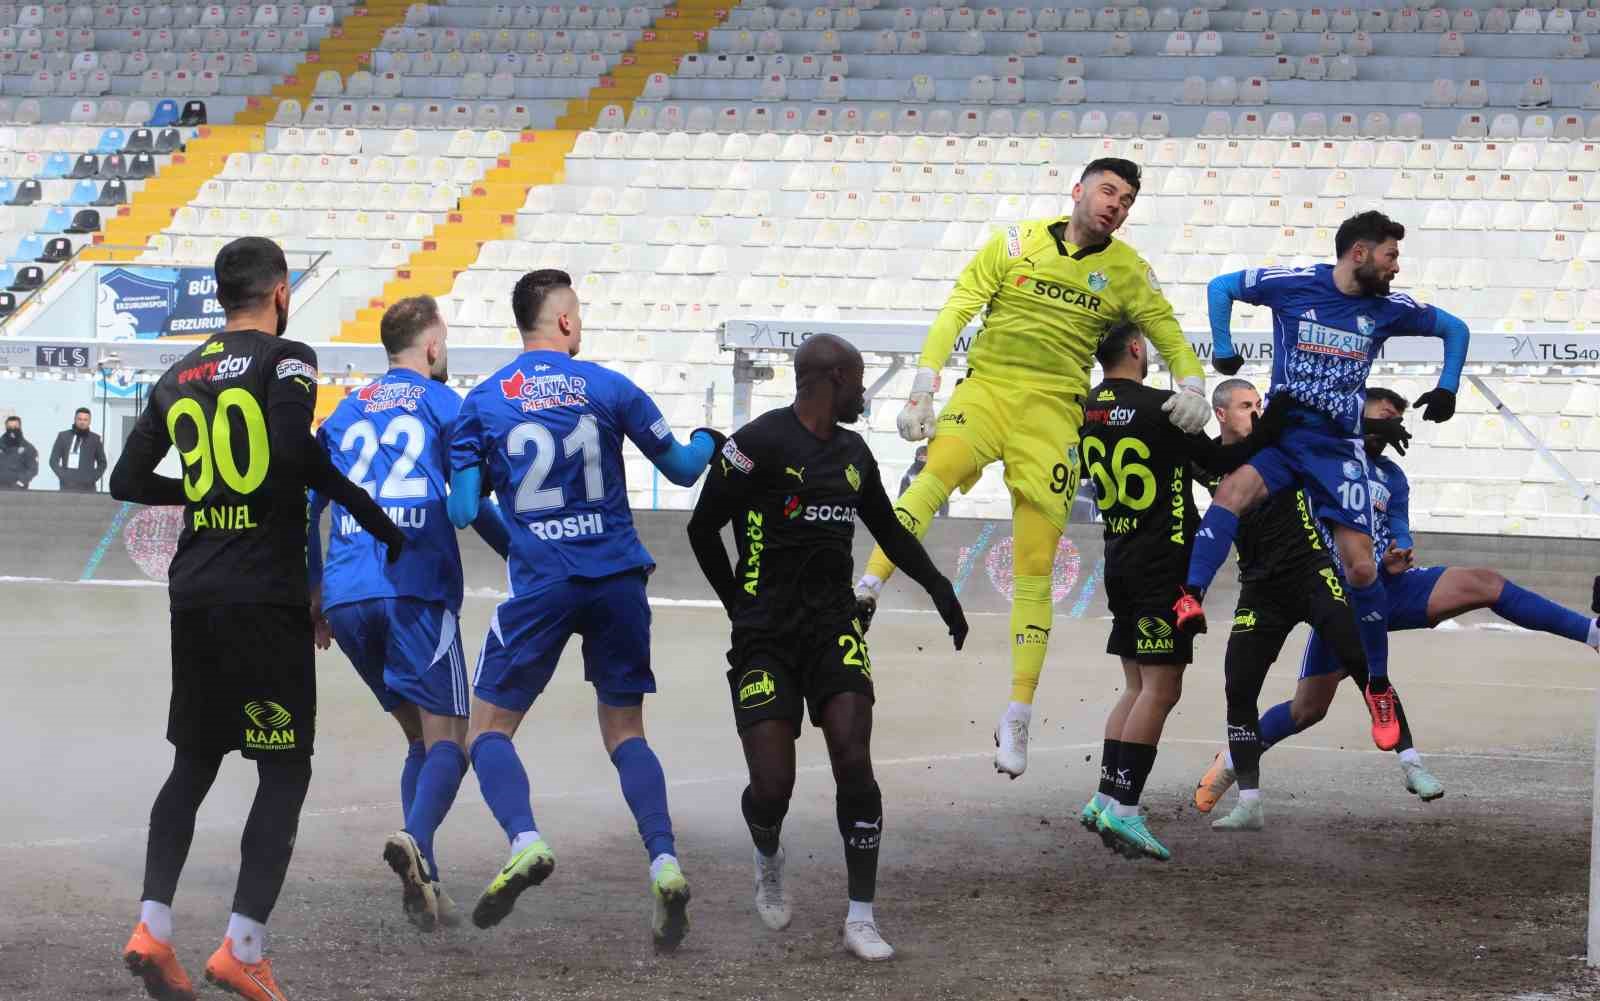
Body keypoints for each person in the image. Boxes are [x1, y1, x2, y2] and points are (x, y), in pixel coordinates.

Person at [111, 237, 403, 1001]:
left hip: (195, 593)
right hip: (261, 599)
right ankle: (243, 946)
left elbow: (127, 476)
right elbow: (283, 455)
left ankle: (152, 927)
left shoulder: (179, 373)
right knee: (284, 768)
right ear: (279, 291)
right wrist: (367, 514)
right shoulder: (289, 359)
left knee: (193, 764)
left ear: (219, 295)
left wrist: (203, 493)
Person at [853, 158, 1210, 780]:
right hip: (987, 390)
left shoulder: (1126, 271)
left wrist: (1194, 384)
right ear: (1077, 191)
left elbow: (1171, 335)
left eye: (1126, 200)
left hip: (1053, 413)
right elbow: (958, 310)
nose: (1115, 205)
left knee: (1036, 566)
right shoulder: (1014, 243)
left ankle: (1017, 712)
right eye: (1107, 191)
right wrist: (921, 387)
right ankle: (864, 595)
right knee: (928, 484)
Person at [446, 269, 716, 952]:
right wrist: (713, 439)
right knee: (626, 731)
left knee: (487, 731)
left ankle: (526, 839)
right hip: (618, 577)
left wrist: (521, 543)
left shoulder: (480, 403)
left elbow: (459, 508)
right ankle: (664, 860)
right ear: (564, 322)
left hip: (543, 581)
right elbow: (683, 468)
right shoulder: (607, 386)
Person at [687, 333, 968, 960]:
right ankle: (767, 854)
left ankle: (860, 916)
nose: (864, 394)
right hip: (764, 640)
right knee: (772, 786)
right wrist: (740, 605)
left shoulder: (854, 453)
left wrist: (941, 589)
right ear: (833, 377)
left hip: (834, 631)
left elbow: (890, 531)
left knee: (852, 757)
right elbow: (702, 529)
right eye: (859, 379)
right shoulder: (753, 445)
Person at [1200, 387, 1600, 823]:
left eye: (1395, 416)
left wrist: (1399, 552)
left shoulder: (1391, 475)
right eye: (1382, 412)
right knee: (1308, 710)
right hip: (1339, 596)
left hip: (1390, 588)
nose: (1390, 421)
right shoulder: (1317, 460)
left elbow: (1400, 530)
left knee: (1485, 582)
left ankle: (1591, 633)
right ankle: (1236, 756)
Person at [1178, 210, 1471, 752]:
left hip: (1338, 450)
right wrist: (1222, 345)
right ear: (1359, 253)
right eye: (1391, 255)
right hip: (1285, 436)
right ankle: (1189, 596)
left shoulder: (1386, 310)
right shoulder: (1293, 285)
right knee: (1232, 494)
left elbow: (1456, 328)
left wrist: (1447, 387)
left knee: (1361, 568)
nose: (1396, 268)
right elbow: (1221, 286)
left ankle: (1377, 689)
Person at [308, 295, 510, 932]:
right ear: (431, 346)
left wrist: (313, 592)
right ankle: (415, 840)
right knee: (454, 737)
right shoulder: (444, 404)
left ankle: (429, 886)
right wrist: (521, 555)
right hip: (413, 588)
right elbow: (472, 500)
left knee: (419, 741)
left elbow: (305, 506)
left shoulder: (342, 413)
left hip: (347, 597)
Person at [1074, 325, 1280, 861]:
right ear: (1138, 349)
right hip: (1161, 564)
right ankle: (1125, 809)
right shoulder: (1164, 406)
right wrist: (1273, 431)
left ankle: (1103, 797)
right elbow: (1214, 465)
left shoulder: (1088, 405)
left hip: (1119, 554)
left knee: (1136, 685)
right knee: (1161, 690)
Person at [1189, 379, 1371, 832]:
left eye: (1259, 404)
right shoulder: (1208, 461)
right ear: (1222, 414)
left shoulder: (1281, 445)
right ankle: (1248, 796)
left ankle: (1410, 757)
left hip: (1311, 575)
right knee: (1248, 688)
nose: (1255, 412)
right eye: (1245, 406)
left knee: (1340, 681)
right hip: (1259, 588)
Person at [50, 406, 107, 491]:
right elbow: (53, 460)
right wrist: (63, 476)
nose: (82, 422)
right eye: (79, 419)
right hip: (67, 487)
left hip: (88, 487)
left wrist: (92, 478)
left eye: (85, 420)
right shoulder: (63, 436)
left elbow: (102, 463)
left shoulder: (95, 439)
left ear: (89, 421)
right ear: (75, 419)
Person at [897, 445, 948, 517]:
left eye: (926, 458)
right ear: (916, 458)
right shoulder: (908, 476)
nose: (923, 460)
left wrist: (943, 518)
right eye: (921, 458)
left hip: (933, 515)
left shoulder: (937, 476)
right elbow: (901, 498)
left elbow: (943, 501)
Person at [0, 415, 39, 488]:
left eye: (15, 426)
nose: (12, 429)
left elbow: (33, 469)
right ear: (5, 427)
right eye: (9, 427)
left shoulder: (28, 448)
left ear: (20, 427)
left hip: (17, 490)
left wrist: (20, 483)